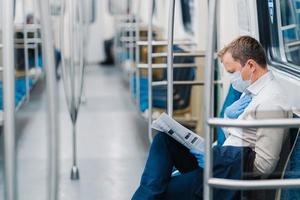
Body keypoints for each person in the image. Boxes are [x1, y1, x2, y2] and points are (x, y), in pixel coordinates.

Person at [131, 36, 291, 200]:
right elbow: (237, 138)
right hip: (219, 160)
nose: (232, 79)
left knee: (162, 191)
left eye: (232, 72)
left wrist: (220, 158)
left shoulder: (270, 102)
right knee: (164, 140)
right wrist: (228, 120)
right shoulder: (250, 92)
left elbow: (265, 165)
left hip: (229, 174)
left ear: (250, 65)